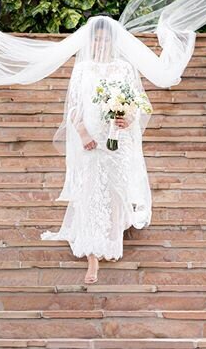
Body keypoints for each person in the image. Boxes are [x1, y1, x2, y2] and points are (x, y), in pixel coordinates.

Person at [42, 17, 153, 284]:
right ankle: (92, 256)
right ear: (90, 41)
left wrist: (127, 118)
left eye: (105, 39)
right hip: (90, 140)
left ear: (113, 41)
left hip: (117, 139)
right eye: (96, 38)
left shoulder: (124, 68)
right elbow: (75, 107)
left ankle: (112, 238)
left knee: (115, 190)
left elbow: (137, 104)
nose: (101, 43)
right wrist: (82, 133)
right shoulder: (83, 70)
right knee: (91, 190)